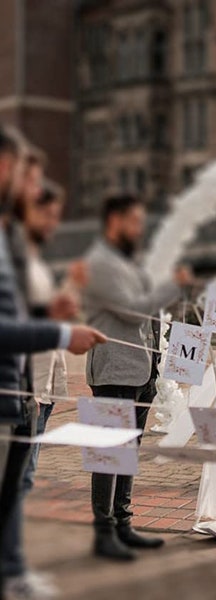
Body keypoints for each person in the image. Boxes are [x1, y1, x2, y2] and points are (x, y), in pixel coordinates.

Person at [0, 126, 105, 598]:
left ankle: (13, 571)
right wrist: (63, 330)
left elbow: (19, 313)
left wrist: (52, 313)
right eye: (29, 178)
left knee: (18, 486)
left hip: (27, 386)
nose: (33, 189)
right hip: (15, 387)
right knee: (14, 486)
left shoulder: (15, 245)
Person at [83, 193, 193, 561]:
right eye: (133, 221)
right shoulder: (100, 263)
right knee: (108, 454)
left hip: (141, 369)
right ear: (114, 221)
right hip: (113, 369)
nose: (140, 228)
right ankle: (103, 532)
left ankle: (123, 524)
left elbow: (152, 316)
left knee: (128, 451)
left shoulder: (132, 262)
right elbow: (132, 312)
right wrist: (169, 284)